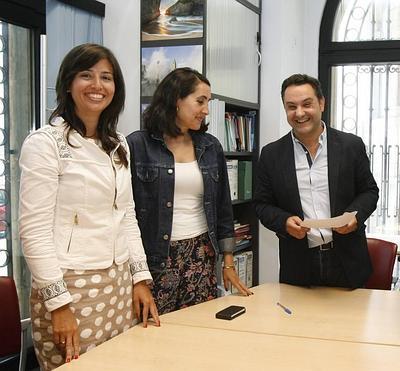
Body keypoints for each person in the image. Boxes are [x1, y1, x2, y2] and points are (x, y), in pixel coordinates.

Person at [18, 43, 159, 370]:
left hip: (118, 283)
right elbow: (34, 232)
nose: (97, 85)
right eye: (87, 75)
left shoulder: (119, 143)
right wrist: (58, 305)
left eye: (106, 77)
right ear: (68, 83)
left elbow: (127, 218)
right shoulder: (45, 144)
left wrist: (139, 279)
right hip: (69, 285)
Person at [128, 68, 252, 315]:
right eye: (200, 101)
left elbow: (223, 209)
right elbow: (124, 214)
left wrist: (228, 262)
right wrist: (136, 274)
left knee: (197, 330)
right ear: (176, 99)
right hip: (155, 258)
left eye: (208, 102)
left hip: (200, 254)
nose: (206, 110)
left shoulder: (210, 146)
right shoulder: (137, 145)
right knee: (153, 334)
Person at [253, 74, 379, 288]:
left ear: (321, 103)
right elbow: (261, 204)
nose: (299, 113)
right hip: (299, 263)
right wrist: (284, 222)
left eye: (307, 104)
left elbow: (369, 191)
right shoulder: (271, 154)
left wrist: (355, 217)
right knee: (300, 321)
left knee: (349, 321)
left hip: (347, 260)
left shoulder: (351, 145)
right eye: (291, 106)